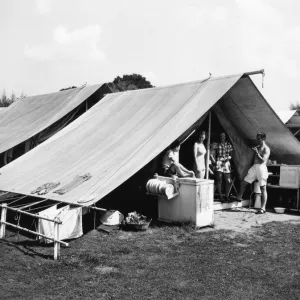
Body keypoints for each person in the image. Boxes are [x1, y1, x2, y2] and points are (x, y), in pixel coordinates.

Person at [237, 132, 270, 214]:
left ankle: (263, 208)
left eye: (258, 139)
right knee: (244, 182)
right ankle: (239, 197)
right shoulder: (257, 147)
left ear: (263, 139)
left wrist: (257, 153)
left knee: (263, 188)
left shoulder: (266, 149)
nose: (257, 140)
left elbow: (263, 160)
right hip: (254, 167)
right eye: (257, 138)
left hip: (261, 167)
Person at [215, 132, 233, 202]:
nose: (222, 137)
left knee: (228, 181)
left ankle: (227, 195)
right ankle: (220, 196)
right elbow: (212, 151)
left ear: (225, 137)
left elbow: (231, 154)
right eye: (221, 136)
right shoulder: (217, 144)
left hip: (226, 162)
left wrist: (228, 159)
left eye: (223, 136)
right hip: (219, 161)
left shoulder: (228, 144)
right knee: (219, 180)